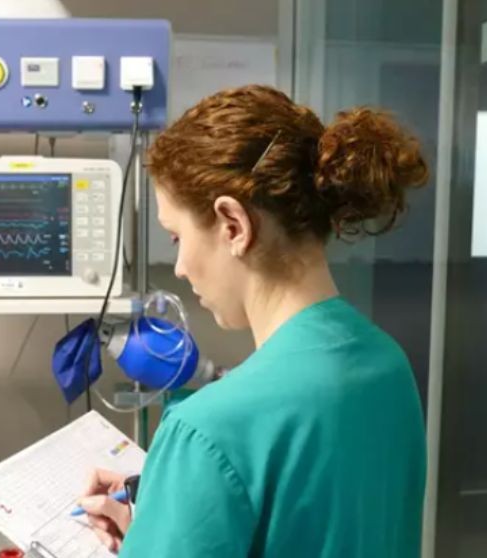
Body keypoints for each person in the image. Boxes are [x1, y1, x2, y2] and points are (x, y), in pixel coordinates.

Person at [77, 84, 429, 557]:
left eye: (177, 238)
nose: (179, 268)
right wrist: (161, 517)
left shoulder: (206, 428)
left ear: (234, 226)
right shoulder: (388, 366)